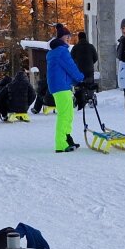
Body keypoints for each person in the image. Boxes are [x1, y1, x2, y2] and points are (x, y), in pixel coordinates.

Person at [45, 24, 84, 153]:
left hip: (60, 86)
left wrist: (75, 80)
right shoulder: (61, 51)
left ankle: (67, 138)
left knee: (68, 114)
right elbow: (71, 67)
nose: (68, 39)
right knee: (64, 115)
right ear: (61, 38)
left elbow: (64, 71)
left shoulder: (55, 52)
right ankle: (61, 143)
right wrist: (81, 77)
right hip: (61, 87)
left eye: (69, 37)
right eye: (66, 37)